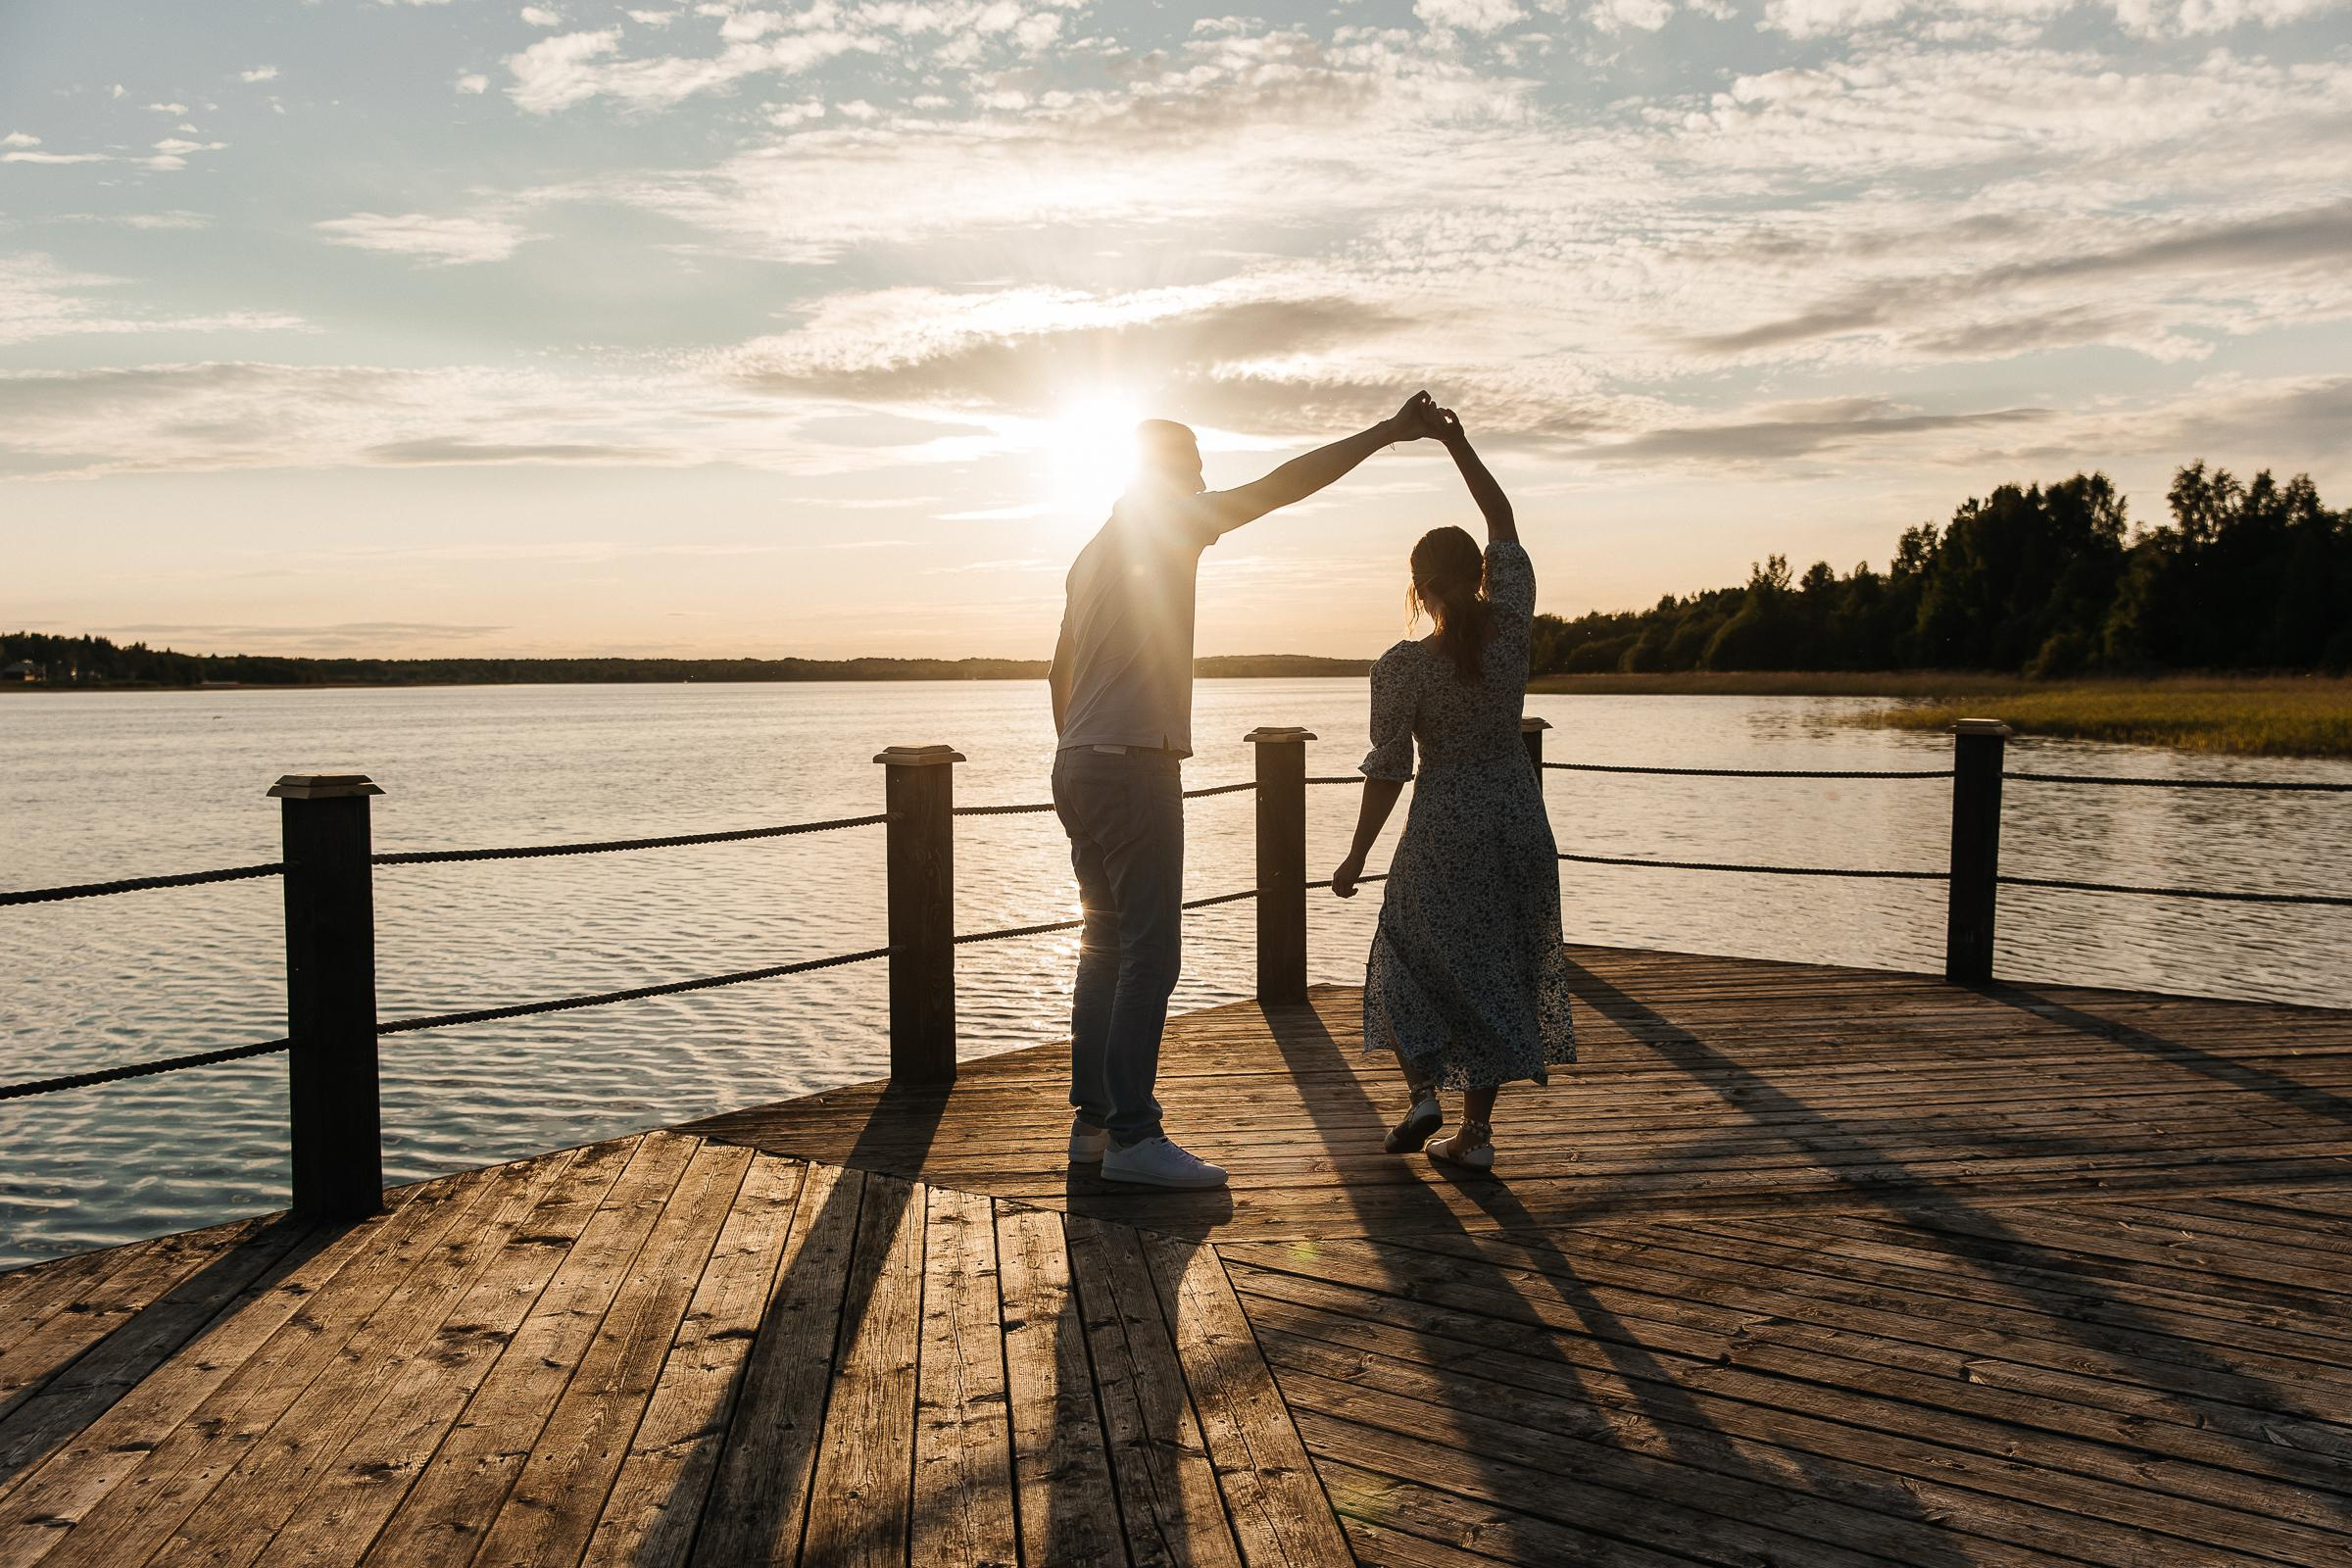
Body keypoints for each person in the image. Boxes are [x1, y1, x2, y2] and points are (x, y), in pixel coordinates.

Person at [1051, 393, 1444, 1189]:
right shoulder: (1169, 524)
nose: (1203, 484)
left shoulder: (1091, 552)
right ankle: (1133, 1136)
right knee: (1149, 957)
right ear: (1170, 475)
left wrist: (1080, 743)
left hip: (1078, 761)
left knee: (1103, 948)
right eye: (1195, 470)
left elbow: (1057, 672)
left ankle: (1092, 1128)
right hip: (1134, 765)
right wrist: (1387, 432)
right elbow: (1288, 482)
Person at [1329, 404, 1576, 1170]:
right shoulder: (1514, 629)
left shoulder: (1403, 668)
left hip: (1442, 829)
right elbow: (1500, 514)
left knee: (1401, 957)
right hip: (1515, 819)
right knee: (1496, 967)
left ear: (1417, 588)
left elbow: (1391, 770)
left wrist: (1354, 856)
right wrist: (1455, 440)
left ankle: (1423, 1093)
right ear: (1480, 576)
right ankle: (1476, 1138)